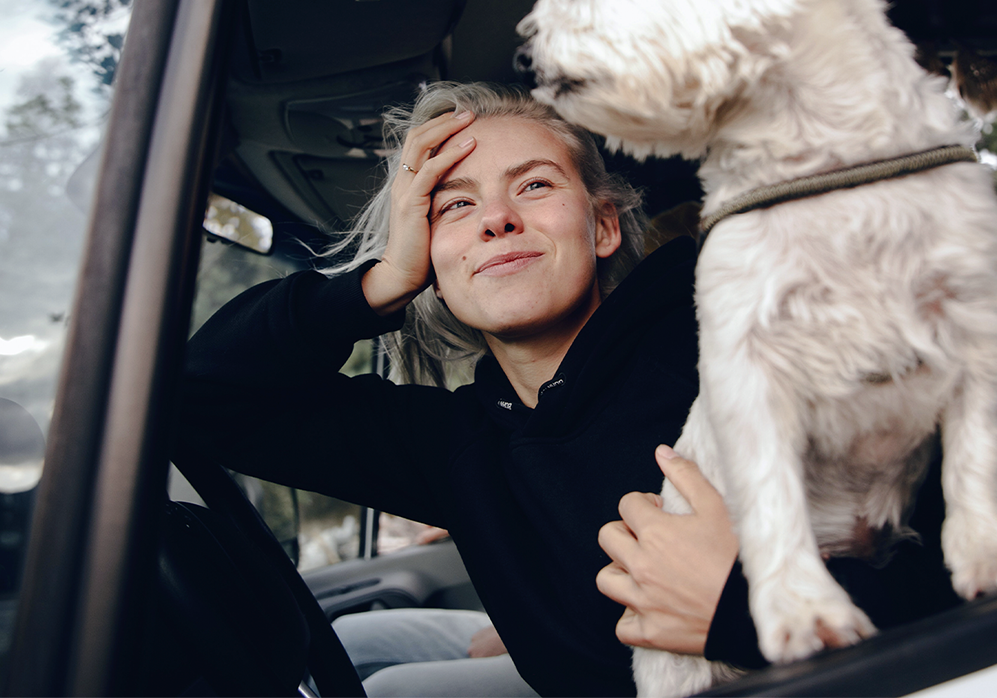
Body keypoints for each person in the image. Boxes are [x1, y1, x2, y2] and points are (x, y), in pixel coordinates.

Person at [182, 82, 769, 697]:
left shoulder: (726, 349)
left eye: (535, 185)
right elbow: (201, 398)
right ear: (432, 266)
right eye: (454, 207)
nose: (496, 218)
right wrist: (380, 283)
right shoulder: (454, 445)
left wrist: (738, 611)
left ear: (602, 227)